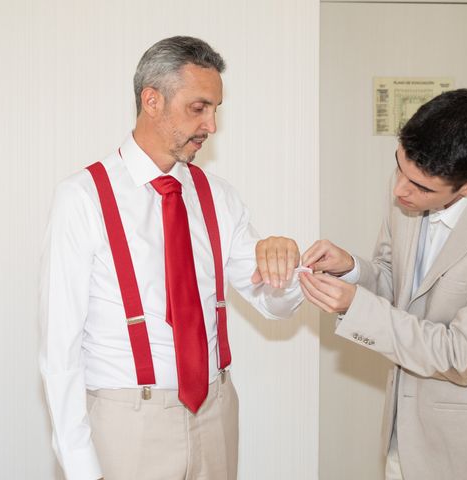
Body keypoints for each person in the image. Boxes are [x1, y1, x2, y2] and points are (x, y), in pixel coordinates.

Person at [39, 36, 303, 480]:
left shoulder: (217, 196)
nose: (211, 125)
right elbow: (58, 345)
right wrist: (81, 465)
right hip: (128, 424)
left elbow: (274, 305)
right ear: (152, 100)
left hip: (216, 413)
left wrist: (283, 269)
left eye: (216, 109)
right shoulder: (82, 198)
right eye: (198, 108)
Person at [300, 89, 467, 480]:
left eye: (420, 187)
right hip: (401, 436)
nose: (401, 189)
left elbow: (461, 356)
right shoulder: (411, 185)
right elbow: (394, 284)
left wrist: (356, 308)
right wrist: (350, 270)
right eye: (398, 167)